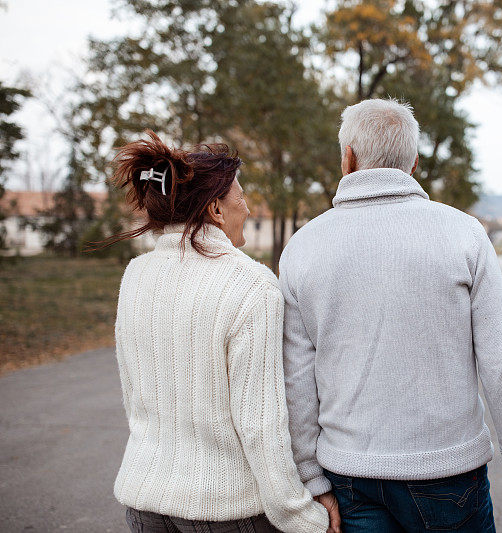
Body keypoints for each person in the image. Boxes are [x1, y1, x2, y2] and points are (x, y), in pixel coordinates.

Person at [279, 99, 502, 532]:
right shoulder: (464, 235)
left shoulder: (303, 247)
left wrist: (311, 478)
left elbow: (295, 381)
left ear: (347, 158)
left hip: (349, 478)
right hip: (447, 473)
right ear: (414, 163)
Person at [105, 131, 338, 533]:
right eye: (241, 198)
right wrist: (302, 517)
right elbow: (260, 424)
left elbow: (135, 396)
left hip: (145, 505)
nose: (247, 209)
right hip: (226, 513)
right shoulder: (250, 285)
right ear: (215, 209)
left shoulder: (137, 274)